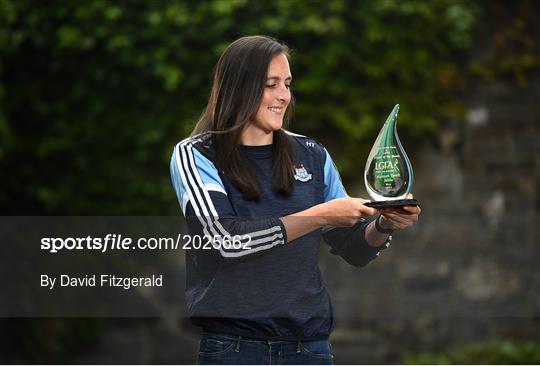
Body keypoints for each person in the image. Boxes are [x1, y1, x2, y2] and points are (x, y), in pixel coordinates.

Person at [170, 35, 421, 365]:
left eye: (287, 84)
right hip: (233, 350)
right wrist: (319, 215)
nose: (283, 96)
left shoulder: (312, 155)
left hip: (309, 349)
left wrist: (384, 223)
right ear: (237, 88)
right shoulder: (196, 154)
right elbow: (225, 241)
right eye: (270, 84)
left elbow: (353, 248)